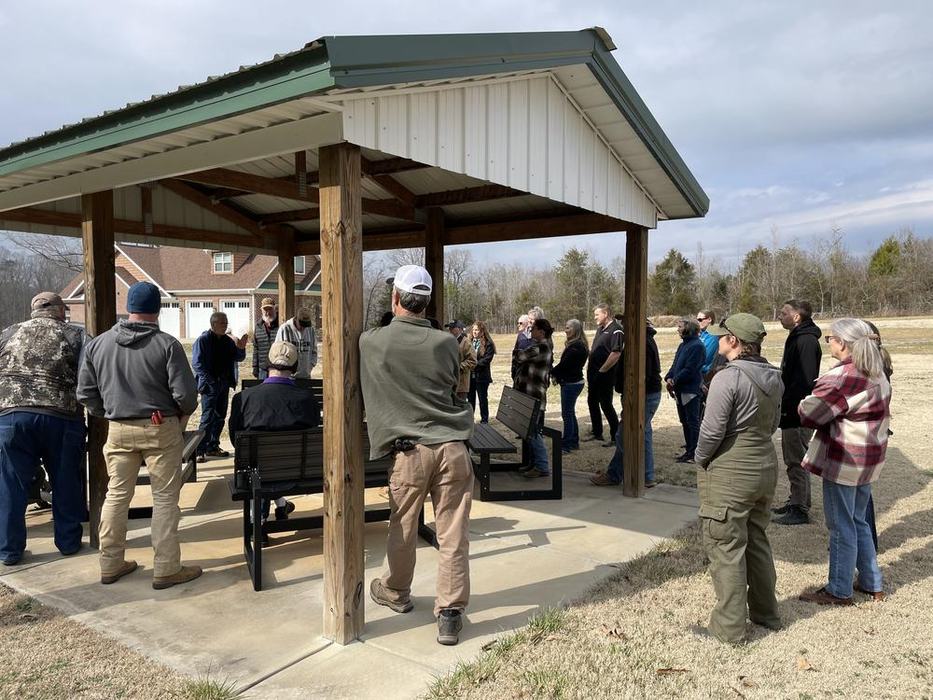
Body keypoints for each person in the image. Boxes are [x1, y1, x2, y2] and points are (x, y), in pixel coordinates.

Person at [360, 265, 474, 646]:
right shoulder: (445, 343)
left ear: (396, 299)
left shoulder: (372, 342)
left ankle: (395, 591)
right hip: (453, 448)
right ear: (426, 303)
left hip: (409, 453)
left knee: (403, 528)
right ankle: (450, 613)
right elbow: (452, 385)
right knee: (453, 534)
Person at [77, 281, 201, 590]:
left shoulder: (98, 344)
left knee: (116, 496)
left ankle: (111, 563)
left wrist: (110, 411)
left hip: (118, 428)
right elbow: (186, 395)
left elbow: (85, 393)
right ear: (157, 310)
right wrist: (179, 414)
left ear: (129, 308)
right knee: (165, 499)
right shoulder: (166, 344)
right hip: (160, 427)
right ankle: (166, 568)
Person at [693, 313, 784, 643]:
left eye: (722, 336)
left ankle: (727, 629)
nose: (717, 341)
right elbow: (772, 424)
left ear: (734, 341)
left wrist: (700, 459)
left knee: (726, 546)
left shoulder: (727, 378)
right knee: (757, 539)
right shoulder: (775, 375)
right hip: (765, 465)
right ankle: (766, 613)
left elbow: (712, 430)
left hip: (732, 471)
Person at [798, 319, 891, 606]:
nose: (828, 343)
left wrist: (804, 401)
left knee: (841, 525)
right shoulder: (878, 372)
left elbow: (810, 413)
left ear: (842, 342)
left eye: (830, 338)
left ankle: (839, 589)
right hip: (869, 459)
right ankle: (871, 582)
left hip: (845, 459)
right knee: (859, 520)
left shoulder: (845, 377)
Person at [0, 292, 87, 566]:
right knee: (65, 481)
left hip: (11, 417)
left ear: (33, 311)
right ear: (61, 311)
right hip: (60, 416)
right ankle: (69, 542)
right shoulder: (76, 336)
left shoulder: (7, 334)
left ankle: (9, 550)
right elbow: (87, 378)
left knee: (10, 485)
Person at [228, 340, 320, 535]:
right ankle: (281, 505)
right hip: (298, 474)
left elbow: (234, 439)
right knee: (274, 463)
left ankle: (259, 521)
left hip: (259, 475)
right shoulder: (307, 399)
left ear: (267, 362)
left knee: (257, 464)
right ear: (295, 367)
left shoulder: (243, 399)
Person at [590, 318, 663, 488]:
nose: (623, 324)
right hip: (644, 394)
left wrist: (631, 398)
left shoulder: (642, 343)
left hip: (643, 396)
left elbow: (641, 374)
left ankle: (614, 474)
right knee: (643, 435)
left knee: (624, 435)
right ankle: (647, 476)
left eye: (625, 321)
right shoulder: (637, 341)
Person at [773, 299, 822, 526]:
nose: (779, 316)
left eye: (783, 312)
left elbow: (804, 381)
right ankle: (796, 501)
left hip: (798, 413)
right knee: (793, 459)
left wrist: (792, 409)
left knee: (796, 460)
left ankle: (800, 509)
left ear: (796, 317)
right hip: (793, 410)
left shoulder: (806, 341)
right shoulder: (798, 337)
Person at [192, 311, 247, 462]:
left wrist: (241, 348)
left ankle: (213, 446)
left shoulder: (227, 341)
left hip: (224, 384)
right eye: (223, 323)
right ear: (214, 324)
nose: (225, 326)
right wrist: (210, 381)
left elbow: (238, 357)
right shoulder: (203, 340)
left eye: (226, 323)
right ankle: (200, 450)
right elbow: (197, 365)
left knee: (220, 417)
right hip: (210, 386)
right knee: (207, 417)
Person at [863, 320, 893, 550]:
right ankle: (868, 541)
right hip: (874, 436)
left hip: (863, 439)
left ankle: (867, 542)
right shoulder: (879, 363)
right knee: (863, 496)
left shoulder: (870, 370)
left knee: (861, 499)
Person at [513, 318, 555, 478]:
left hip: (534, 396)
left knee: (533, 432)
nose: (531, 332)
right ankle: (534, 463)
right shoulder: (541, 346)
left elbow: (519, 356)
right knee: (530, 432)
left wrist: (517, 351)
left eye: (534, 329)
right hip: (528, 396)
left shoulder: (541, 347)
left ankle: (542, 466)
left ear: (541, 332)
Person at [665, 318, 706, 463]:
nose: (677, 329)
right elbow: (675, 365)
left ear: (689, 328)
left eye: (680, 327)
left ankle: (694, 452)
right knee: (684, 421)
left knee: (692, 422)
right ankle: (689, 450)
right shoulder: (683, 345)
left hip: (690, 390)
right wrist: (669, 377)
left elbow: (690, 369)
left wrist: (675, 380)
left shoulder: (697, 346)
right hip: (680, 389)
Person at [586, 304, 623, 446]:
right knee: (592, 401)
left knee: (606, 404)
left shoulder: (616, 331)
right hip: (594, 374)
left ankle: (615, 436)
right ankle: (597, 432)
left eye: (597, 314)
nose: (595, 317)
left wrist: (602, 370)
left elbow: (616, 353)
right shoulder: (600, 329)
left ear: (606, 313)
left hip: (605, 375)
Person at [551, 319, 588, 453]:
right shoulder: (576, 344)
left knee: (567, 414)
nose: (566, 330)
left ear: (576, 330)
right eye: (565, 328)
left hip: (571, 384)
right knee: (570, 413)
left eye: (568, 328)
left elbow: (564, 365)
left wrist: (551, 371)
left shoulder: (576, 347)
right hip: (573, 382)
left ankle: (566, 445)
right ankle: (573, 441)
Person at [276, 306, 318, 379]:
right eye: (301, 325)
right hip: (289, 377)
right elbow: (277, 352)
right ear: (296, 319)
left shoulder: (311, 330)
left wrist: (310, 365)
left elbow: (314, 350)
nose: (303, 328)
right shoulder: (284, 329)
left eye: (305, 325)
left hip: (306, 376)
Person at [467, 321, 496, 424]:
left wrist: (473, 365)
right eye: (474, 330)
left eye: (477, 330)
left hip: (482, 376)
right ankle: (470, 420)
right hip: (469, 376)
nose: (475, 332)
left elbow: (487, 359)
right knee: (470, 399)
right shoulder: (468, 341)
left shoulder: (489, 344)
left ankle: (484, 420)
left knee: (482, 399)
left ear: (482, 331)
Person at [445, 320, 477, 400]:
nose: (450, 330)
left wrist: (458, 367)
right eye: (449, 328)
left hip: (461, 384)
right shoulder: (448, 341)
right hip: (449, 382)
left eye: (452, 328)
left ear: (459, 329)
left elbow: (473, 361)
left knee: (460, 408)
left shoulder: (466, 342)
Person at [251, 297, 279, 381]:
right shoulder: (258, 327)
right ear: (262, 311)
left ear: (275, 309)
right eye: (265, 309)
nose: (268, 312)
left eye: (270, 309)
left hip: (277, 368)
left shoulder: (281, 325)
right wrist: (255, 367)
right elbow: (256, 348)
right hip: (263, 369)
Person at [697, 310, 719, 377]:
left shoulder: (713, 335)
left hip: (707, 374)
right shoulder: (701, 334)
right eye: (697, 320)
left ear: (709, 319)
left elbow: (705, 356)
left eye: (700, 319)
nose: (698, 322)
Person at [510, 314, 532, 380]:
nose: (518, 325)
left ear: (527, 323)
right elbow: (515, 353)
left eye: (521, 323)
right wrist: (513, 370)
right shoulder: (520, 336)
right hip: (518, 372)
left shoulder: (534, 336)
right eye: (518, 323)